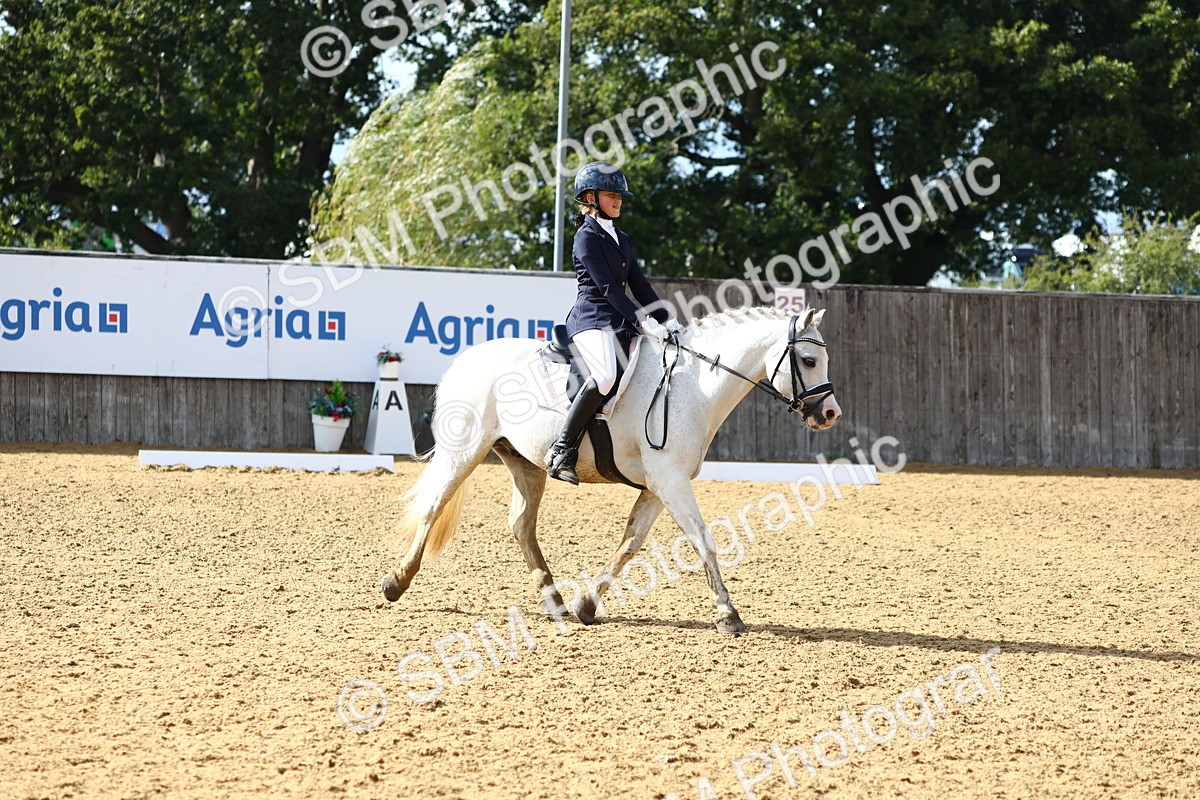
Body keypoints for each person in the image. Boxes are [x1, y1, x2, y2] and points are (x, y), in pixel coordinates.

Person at [545, 161, 684, 485]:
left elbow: (639, 285)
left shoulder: (621, 238)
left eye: (620, 196)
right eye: (612, 195)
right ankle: (562, 450)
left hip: (618, 321)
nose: (618, 200)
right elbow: (608, 288)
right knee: (605, 376)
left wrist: (667, 320)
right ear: (590, 198)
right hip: (591, 318)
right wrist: (643, 321)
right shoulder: (586, 237)